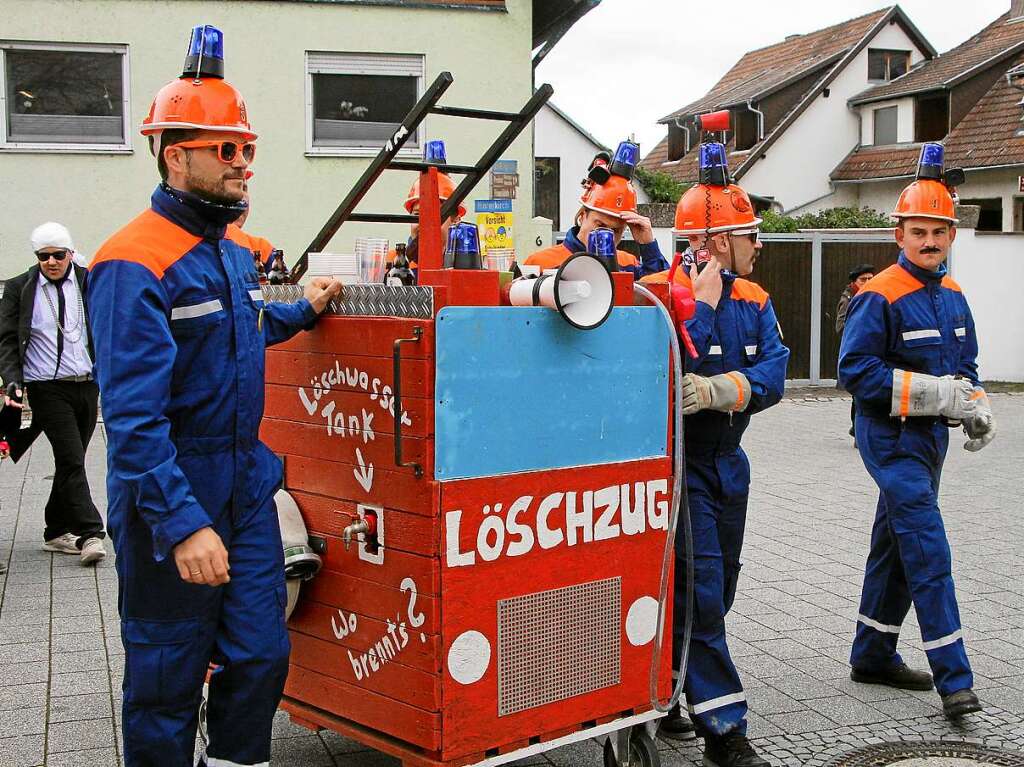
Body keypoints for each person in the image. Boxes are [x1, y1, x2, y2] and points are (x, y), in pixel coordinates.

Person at [86, 26, 342, 767]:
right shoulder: (131, 263)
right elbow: (132, 419)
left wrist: (304, 309)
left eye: (247, 148)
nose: (242, 164)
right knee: (167, 676)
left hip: (244, 485)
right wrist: (182, 523)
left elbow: (243, 329)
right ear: (177, 156)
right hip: (173, 496)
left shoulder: (232, 254)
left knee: (261, 655)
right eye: (225, 150)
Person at [641, 139, 788, 767]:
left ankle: (675, 686)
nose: (760, 245)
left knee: (719, 585)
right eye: (751, 235)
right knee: (701, 588)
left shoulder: (756, 302)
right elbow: (671, 372)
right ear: (722, 243)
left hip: (733, 463)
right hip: (684, 468)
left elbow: (776, 379)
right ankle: (725, 730)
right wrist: (698, 308)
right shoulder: (662, 295)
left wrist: (721, 391)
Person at [838, 143, 992, 720]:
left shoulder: (953, 296)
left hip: (931, 441)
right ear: (898, 235)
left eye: (939, 232)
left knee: (895, 546)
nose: (930, 242)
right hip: (889, 437)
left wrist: (974, 404)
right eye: (918, 232)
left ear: (951, 235)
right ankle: (956, 679)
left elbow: (966, 366)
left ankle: (873, 652)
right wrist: (935, 394)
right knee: (927, 546)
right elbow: (854, 372)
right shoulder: (878, 294)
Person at [0, 222, 106, 566]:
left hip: (87, 385)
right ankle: (91, 532)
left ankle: (54, 531)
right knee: (72, 458)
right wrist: (12, 379)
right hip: (46, 386)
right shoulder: (20, 287)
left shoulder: (89, 282)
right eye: (43, 256)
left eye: (58, 255)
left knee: (69, 461)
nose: (51, 262)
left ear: (70, 254)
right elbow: (6, 340)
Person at [525, 141, 669, 278]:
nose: (606, 237)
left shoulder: (628, 264)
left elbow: (660, 292)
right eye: (600, 226)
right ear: (582, 216)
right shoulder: (540, 264)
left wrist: (648, 245)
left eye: (616, 231)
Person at [836, 264, 876, 437]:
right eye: (863, 279)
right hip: (855, 352)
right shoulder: (848, 299)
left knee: (863, 394)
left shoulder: (875, 295)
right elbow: (840, 325)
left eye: (870, 278)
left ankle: (858, 429)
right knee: (858, 394)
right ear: (854, 282)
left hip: (873, 352)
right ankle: (858, 429)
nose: (867, 282)